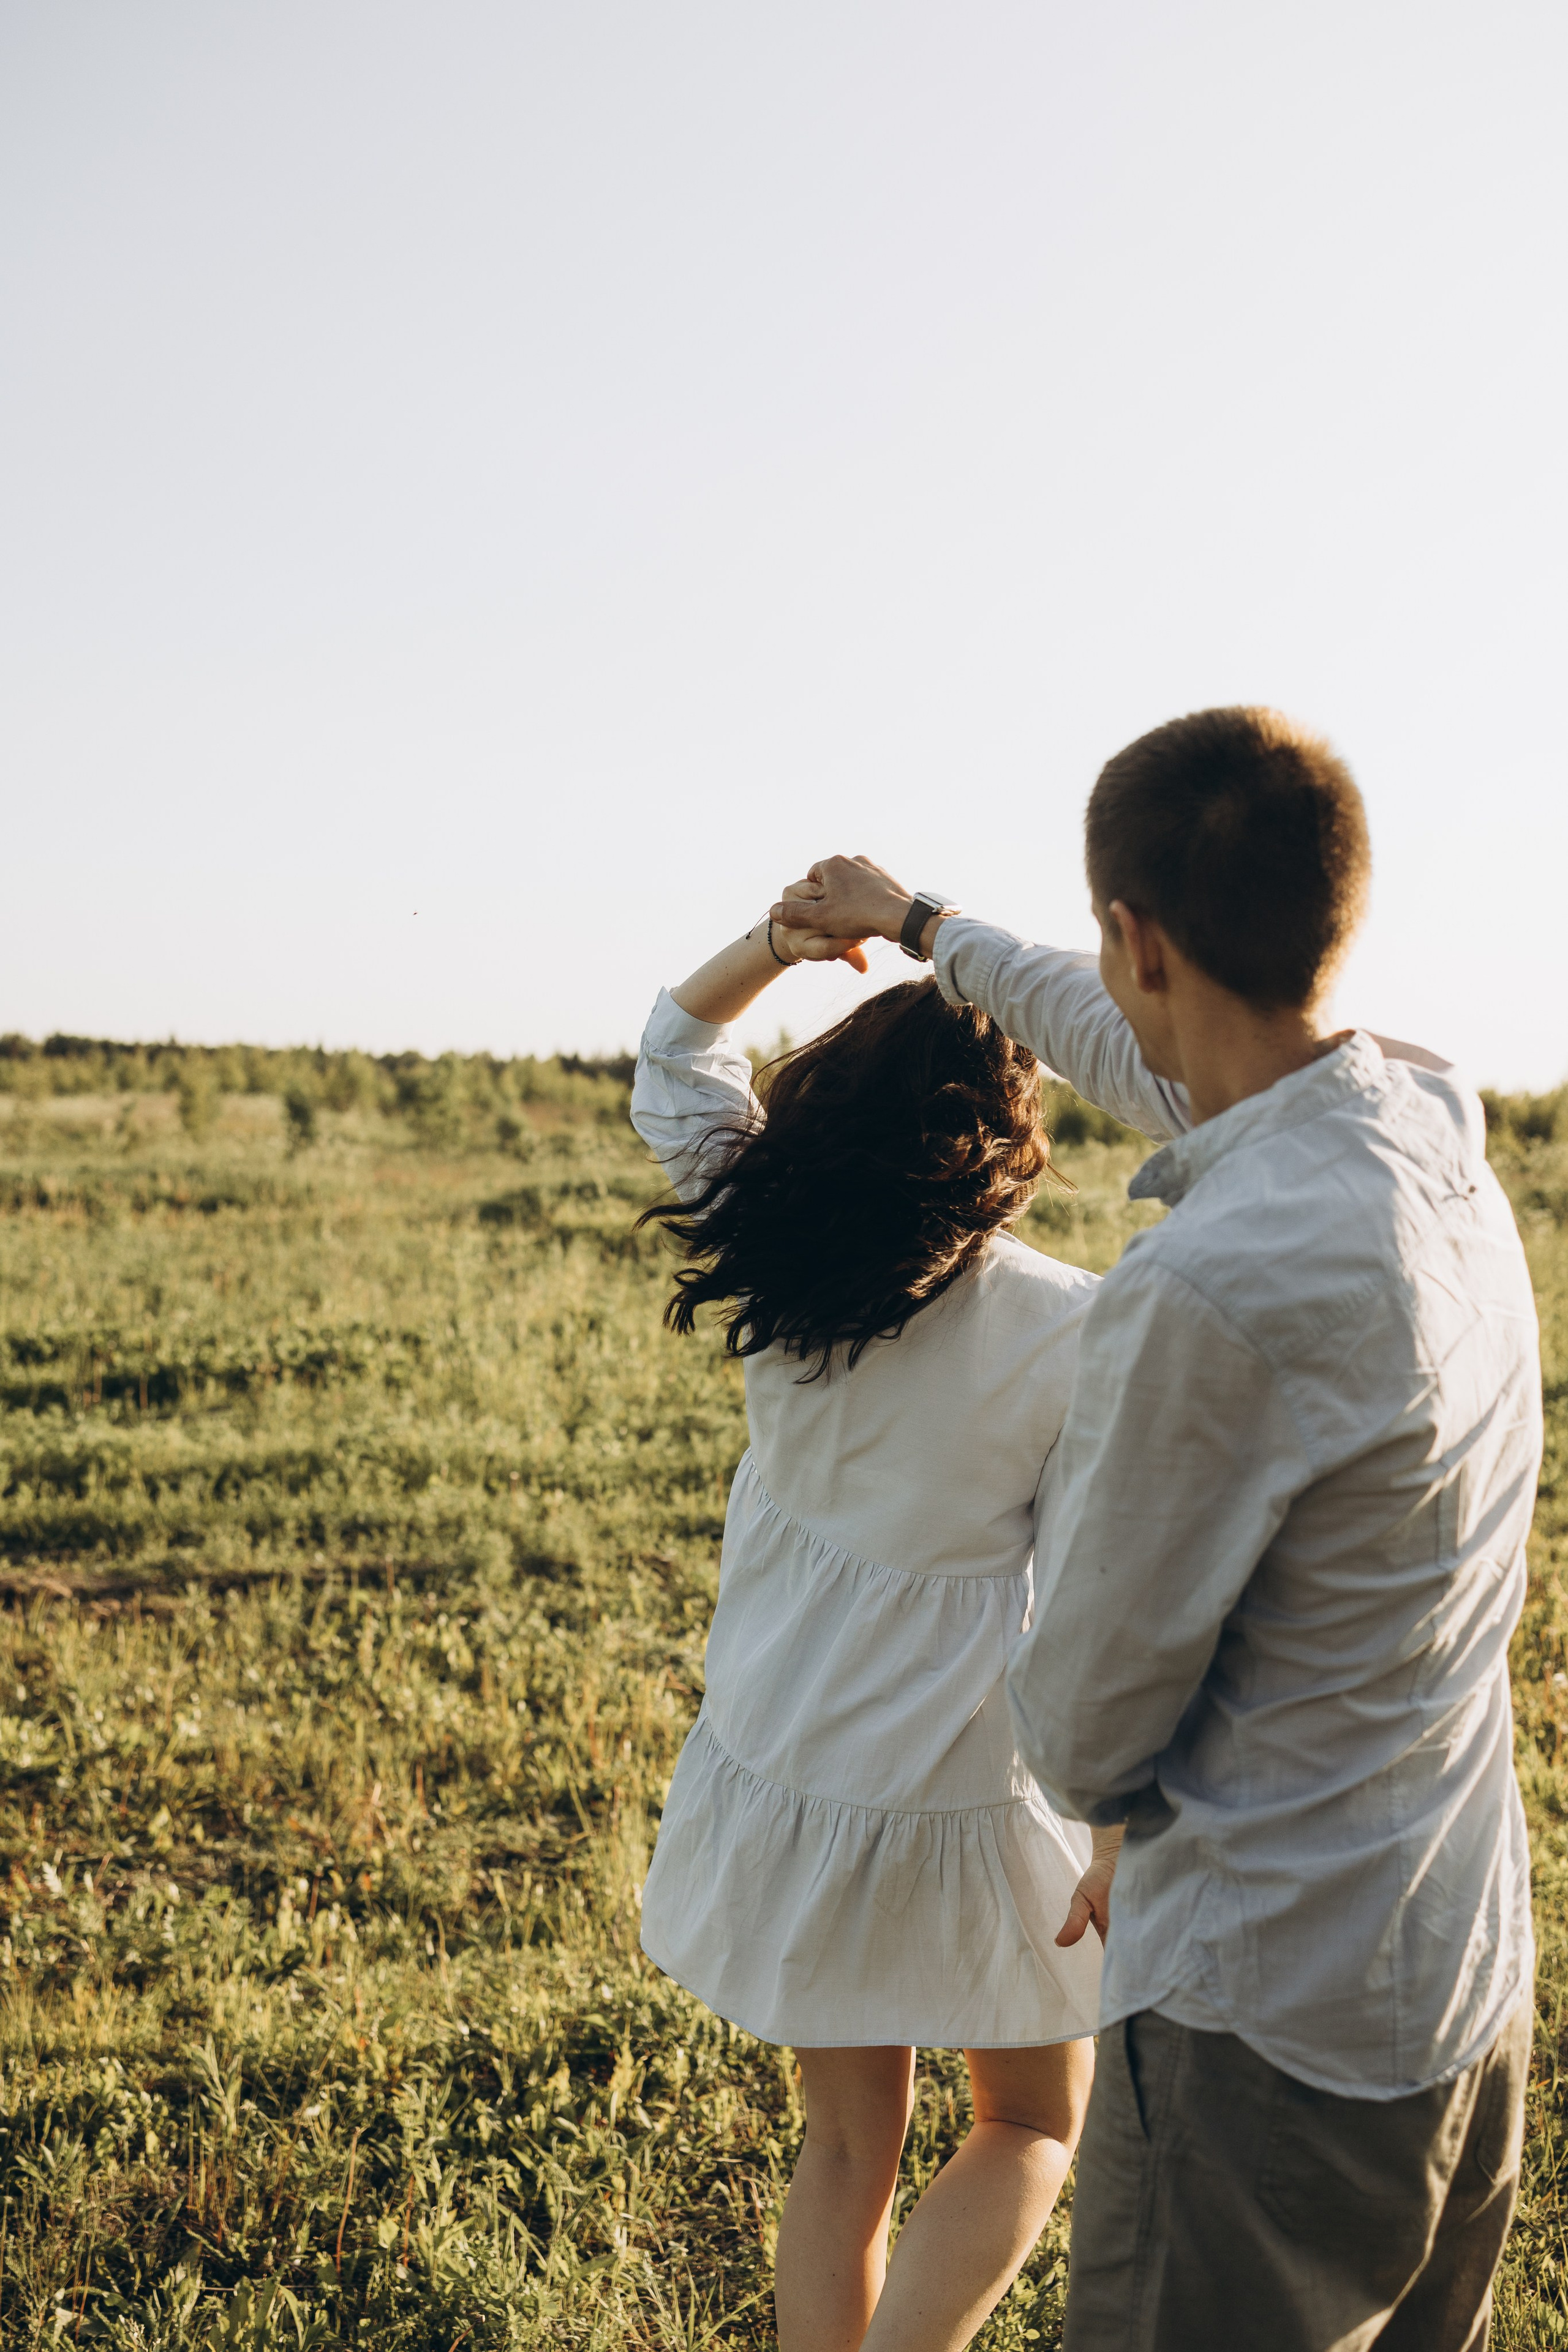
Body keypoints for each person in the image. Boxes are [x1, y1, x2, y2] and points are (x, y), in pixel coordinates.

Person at [775, 703, 1542, 2352]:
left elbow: (1086, 1732)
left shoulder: (1208, 1292)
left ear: (1136, 932)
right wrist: (925, 926)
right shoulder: (1428, 1123)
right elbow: (1152, 1050)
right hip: (1458, 1971)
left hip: (1264, 2035)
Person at [628, 906, 1122, 2352]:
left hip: (787, 1763)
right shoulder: (1066, 1323)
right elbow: (1099, 1603)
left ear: (829, 1102)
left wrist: (782, 936)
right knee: (1028, 2122)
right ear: (1004, 1143)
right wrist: (1108, 1833)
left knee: (843, 2152)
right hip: (963, 1788)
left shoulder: (767, 1233)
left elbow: (676, 1045)